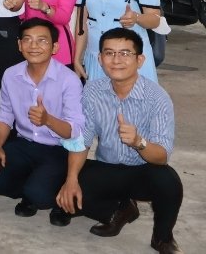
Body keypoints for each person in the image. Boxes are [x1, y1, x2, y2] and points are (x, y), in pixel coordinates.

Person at [56, 28, 183, 254]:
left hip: (143, 171)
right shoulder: (93, 91)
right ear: (100, 58)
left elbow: (162, 156)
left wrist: (138, 142)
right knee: (60, 190)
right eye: (109, 53)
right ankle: (121, 209)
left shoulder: (158, 98)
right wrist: (71, 180)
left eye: (125, 53)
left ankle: (162, 237)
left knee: (169, 182)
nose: (116, 60)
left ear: (140, 60)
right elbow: (82, 141)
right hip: (108, 168)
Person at [0, 18, 84, 222]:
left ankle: (54, 195)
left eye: (42, 41)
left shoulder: (69, 80)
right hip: (24, 144)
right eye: (27, 40)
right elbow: (4, 114)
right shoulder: (11, 75)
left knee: (40, 196)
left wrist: (48, 120)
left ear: (54, 47)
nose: (34, 46)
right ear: (19, 45)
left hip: (58, 149)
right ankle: (32, 189)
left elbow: (76, 131)